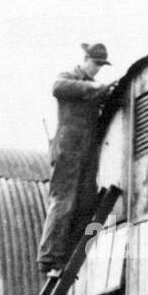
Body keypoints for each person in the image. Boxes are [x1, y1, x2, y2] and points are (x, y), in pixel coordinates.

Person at [37, 42, 116, 275]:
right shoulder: (69, 78)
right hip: (67, 151)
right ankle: (49, 257)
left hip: (86, 152)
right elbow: (57, 87)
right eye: (96, 64)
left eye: (101, 66)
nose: (98, 69)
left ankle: (67, 255)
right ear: (85, 59)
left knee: (85, 202)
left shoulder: (94, 86)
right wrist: (96, 89)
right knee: (64, 200)